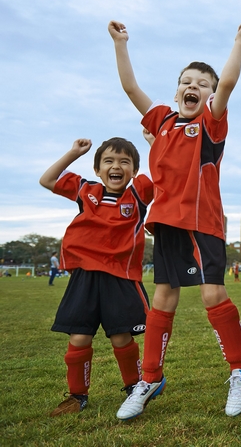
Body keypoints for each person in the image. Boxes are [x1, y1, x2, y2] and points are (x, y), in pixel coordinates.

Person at [108, 20, 241, 420]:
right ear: (176, 92)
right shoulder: (161, 121)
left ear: (208, 96)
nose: (194, 86)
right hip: (166, 223)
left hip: (201, 221)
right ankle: (151, 377)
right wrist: (121, 44)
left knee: (211, 295)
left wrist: (240, 42)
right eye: (186, 82)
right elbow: (130, 88)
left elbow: (226, 85)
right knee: (163, 298)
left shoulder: (210, 124)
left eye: (202, 83)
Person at [40, 137, 153, 416]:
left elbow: (169, 174)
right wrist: (73, 153)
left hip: (121, 278)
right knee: (79, 337)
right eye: (109, 161)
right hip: (85, 276)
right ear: (98, 169)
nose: (117, 166)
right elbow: (47, 179)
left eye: (125, 162)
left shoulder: (137, 194)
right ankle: (77, 395)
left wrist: (156, 144)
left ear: (134, 171)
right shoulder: (86, 191)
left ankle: (135, 389)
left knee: (121, 338)